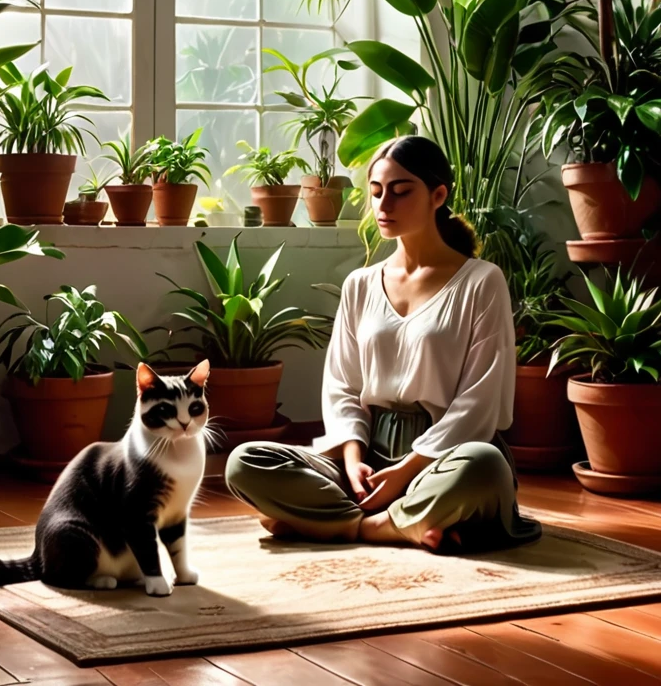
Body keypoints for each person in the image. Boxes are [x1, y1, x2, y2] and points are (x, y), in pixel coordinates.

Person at [225, 135, 542, 554]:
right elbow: (341, 386)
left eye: (400, 191)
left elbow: (480, 404)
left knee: (483, 468)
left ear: (438, 195)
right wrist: (354, 460)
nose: (383, 205)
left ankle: (342, 525)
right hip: (368, 454)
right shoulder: (360, 284)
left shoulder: (482, 281)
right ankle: (398, 524)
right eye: (375, 192)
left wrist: (406, 470)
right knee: (244, 462)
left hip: (447, 459)